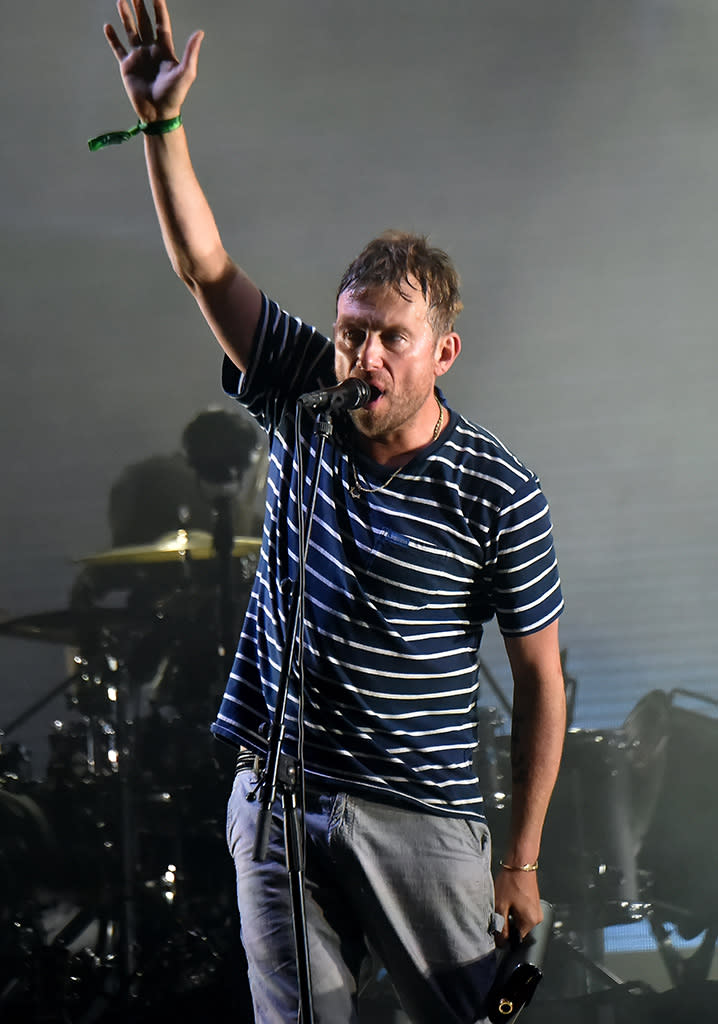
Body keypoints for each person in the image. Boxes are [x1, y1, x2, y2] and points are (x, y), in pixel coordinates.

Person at [101, 3, 567, 1022]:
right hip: (274, 799)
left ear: (441, 351)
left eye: (389, 338)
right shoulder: (304, 392)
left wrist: (522, 856)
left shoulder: (496, 489)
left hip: (419, 817)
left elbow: (540, 680)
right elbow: (206, 268)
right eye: (353, 331)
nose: (363, 356)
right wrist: (160, 127)